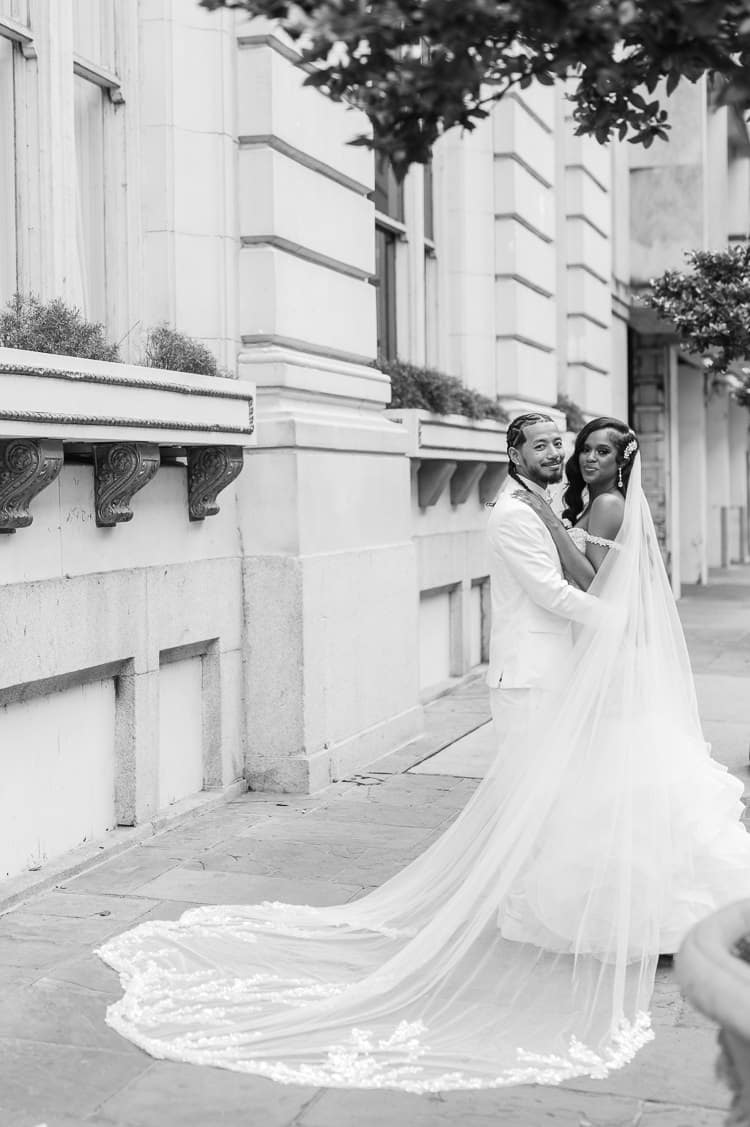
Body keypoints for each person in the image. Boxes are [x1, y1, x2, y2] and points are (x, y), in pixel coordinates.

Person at [96, 415, 750, 1093]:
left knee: (556, 800)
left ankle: (556, 911)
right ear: (514, 453)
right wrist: (623, 623)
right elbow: (556, 593)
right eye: (547, 445)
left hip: (562, 674)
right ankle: (543, 912)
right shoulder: (513, 514)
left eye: (565, 443)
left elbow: (587, 571)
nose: (562, 454)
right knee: (536, 799)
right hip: (533, 677)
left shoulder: (550, 506)